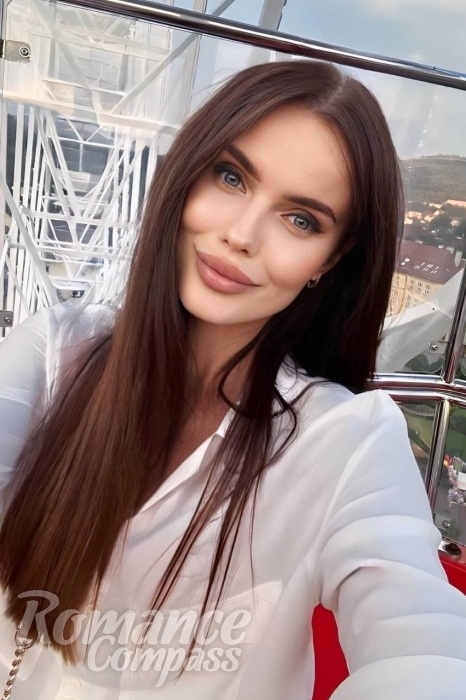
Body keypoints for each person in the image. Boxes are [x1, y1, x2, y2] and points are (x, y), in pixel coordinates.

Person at [0, 59, 465, 700]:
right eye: (230, 176)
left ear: (329, 261)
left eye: (300, 220)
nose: (240, 235)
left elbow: (423, 637)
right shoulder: (56, 353)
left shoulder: (344, 441)